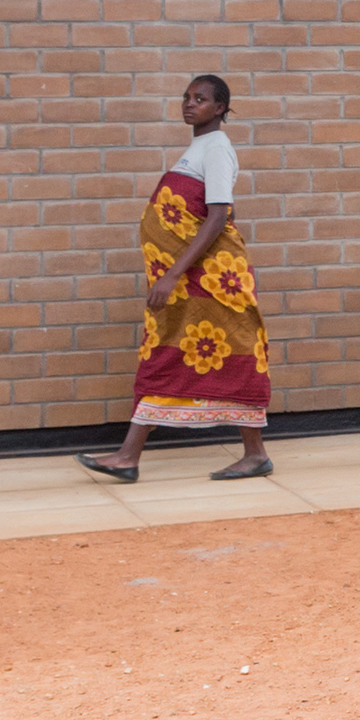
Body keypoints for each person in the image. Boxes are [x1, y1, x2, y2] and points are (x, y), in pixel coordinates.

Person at [81, 73, 272, 483]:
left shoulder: (216, 148)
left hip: (210, 282)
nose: (189, 104)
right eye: (186, 97)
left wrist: (171, 274)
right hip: (192, 281)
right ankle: (129, 456)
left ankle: (253, 454)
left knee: (223, 352)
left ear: (219, 108)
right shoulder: (199, 148)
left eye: (200, 99)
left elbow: (217, 216)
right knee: (168, 350)